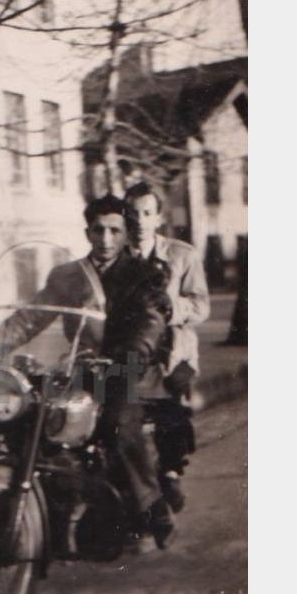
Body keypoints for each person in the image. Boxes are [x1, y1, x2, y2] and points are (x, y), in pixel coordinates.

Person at [0, 195, 174, 546]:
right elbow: (33, 316)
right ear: (87, 233)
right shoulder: (68, 276)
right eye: (98, 230)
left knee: (119, 424)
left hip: (127, 371)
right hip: (81, 366)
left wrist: (135, 354)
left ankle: (150, 508)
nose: (105, 239)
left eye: (114, 231)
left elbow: (151, 322)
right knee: (29, 416)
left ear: (125, 234)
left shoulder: (144, 274)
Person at [122, 181, 210, 513]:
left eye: (147, 213)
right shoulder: (117, 258)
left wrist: (172, 308)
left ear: (159, 217)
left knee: (173, 404)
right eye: (132, 214)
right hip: (131, 351)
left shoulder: (182, 255)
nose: (139, 222)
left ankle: (171, 471)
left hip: (173, 353)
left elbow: (201, 306)